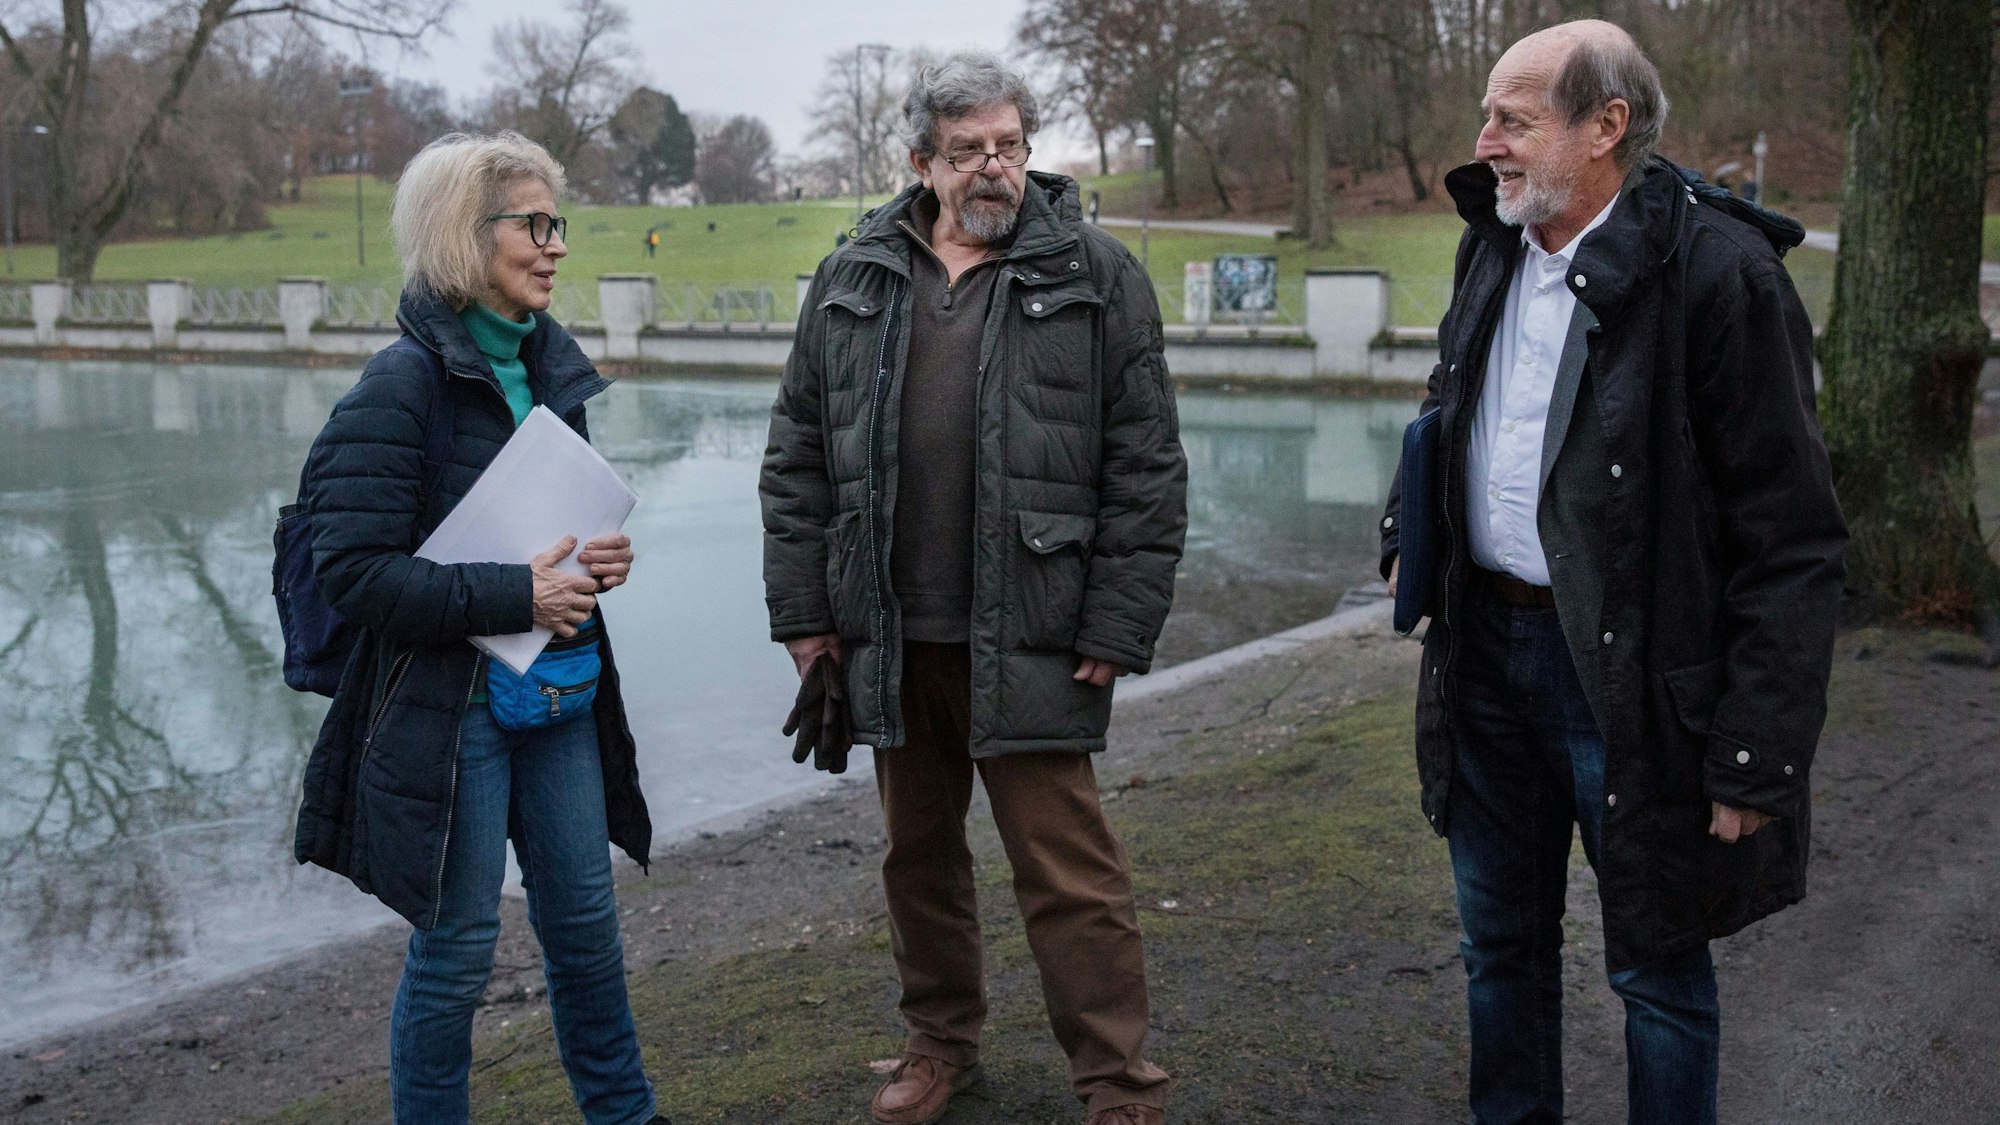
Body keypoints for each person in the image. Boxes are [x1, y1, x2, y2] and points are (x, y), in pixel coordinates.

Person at [1380, 21, 1845, 1125]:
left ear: (1605, 126)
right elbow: (1448, 409)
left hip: (1635, 685)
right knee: (1496, 950)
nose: (1482, 140)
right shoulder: (1491, 242)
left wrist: (1752, 758)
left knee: (1655, 972)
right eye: (1487, 115)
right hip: (1484, 661)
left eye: (1511, 118)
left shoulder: (1722, 278)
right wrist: (1410, 528)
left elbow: (1794, 543)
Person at [759, 50, 1185, 1125]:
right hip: (888, 631)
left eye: (1007, 146)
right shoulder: (851, 272)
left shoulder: (1095, 272)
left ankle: (1116, 1081)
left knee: (1069, 873)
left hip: (1037, 626)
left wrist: (1119, 620)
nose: (992, 168)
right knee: (917, 860)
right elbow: (796, 453)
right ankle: (939, 1045)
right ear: (919, 162)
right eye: (966, 153)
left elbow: (1146, 464)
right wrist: (806, 617)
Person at [292, 132, 669, 1125]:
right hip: (444, 713)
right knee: (457, 950)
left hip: (553, 684)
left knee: (585, 924)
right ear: (467, 235)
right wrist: (516, 595)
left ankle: (626, 1117)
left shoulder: (547, 368)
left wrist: (596, 564)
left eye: (557, 226)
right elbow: (354, 575)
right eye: (532, 226)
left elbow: (543, 540)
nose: (553, 247)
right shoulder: (397, 385)